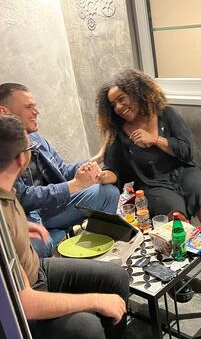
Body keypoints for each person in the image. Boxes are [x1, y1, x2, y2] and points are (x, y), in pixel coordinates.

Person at [0, 114, 161, 339]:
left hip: (37, 271)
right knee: (87, 328)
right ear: (20, 159)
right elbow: (25, 303)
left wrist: (22, 225)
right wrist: (96, 300)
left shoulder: (6, 185)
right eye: (29, 148)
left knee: (116, 277)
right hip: (14, 318)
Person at [95, 69, 201, 290]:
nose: (118, 107)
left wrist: (155, 139)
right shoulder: (119, 133)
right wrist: (103, 176)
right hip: (152, 182)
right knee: (174, 212)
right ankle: (181, 270)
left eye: (121, 99)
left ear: (136, 92)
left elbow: (187, 151)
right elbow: (116, 170)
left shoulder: (166, 114)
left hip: (182, 170)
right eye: (113, 104)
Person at [0, 83, 120, 258]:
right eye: (28, 107)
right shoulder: (4, 151)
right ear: (3, 112)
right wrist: (75, 185)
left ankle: (96, 248)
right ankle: (56, 242)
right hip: (25, 215)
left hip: (53, 206)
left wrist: (92, 164)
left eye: (35, 106)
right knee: (39, 246)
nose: (36, 112)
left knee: (108, 192)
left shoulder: (36, 139)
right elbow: (22, 197)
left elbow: (62, 170)